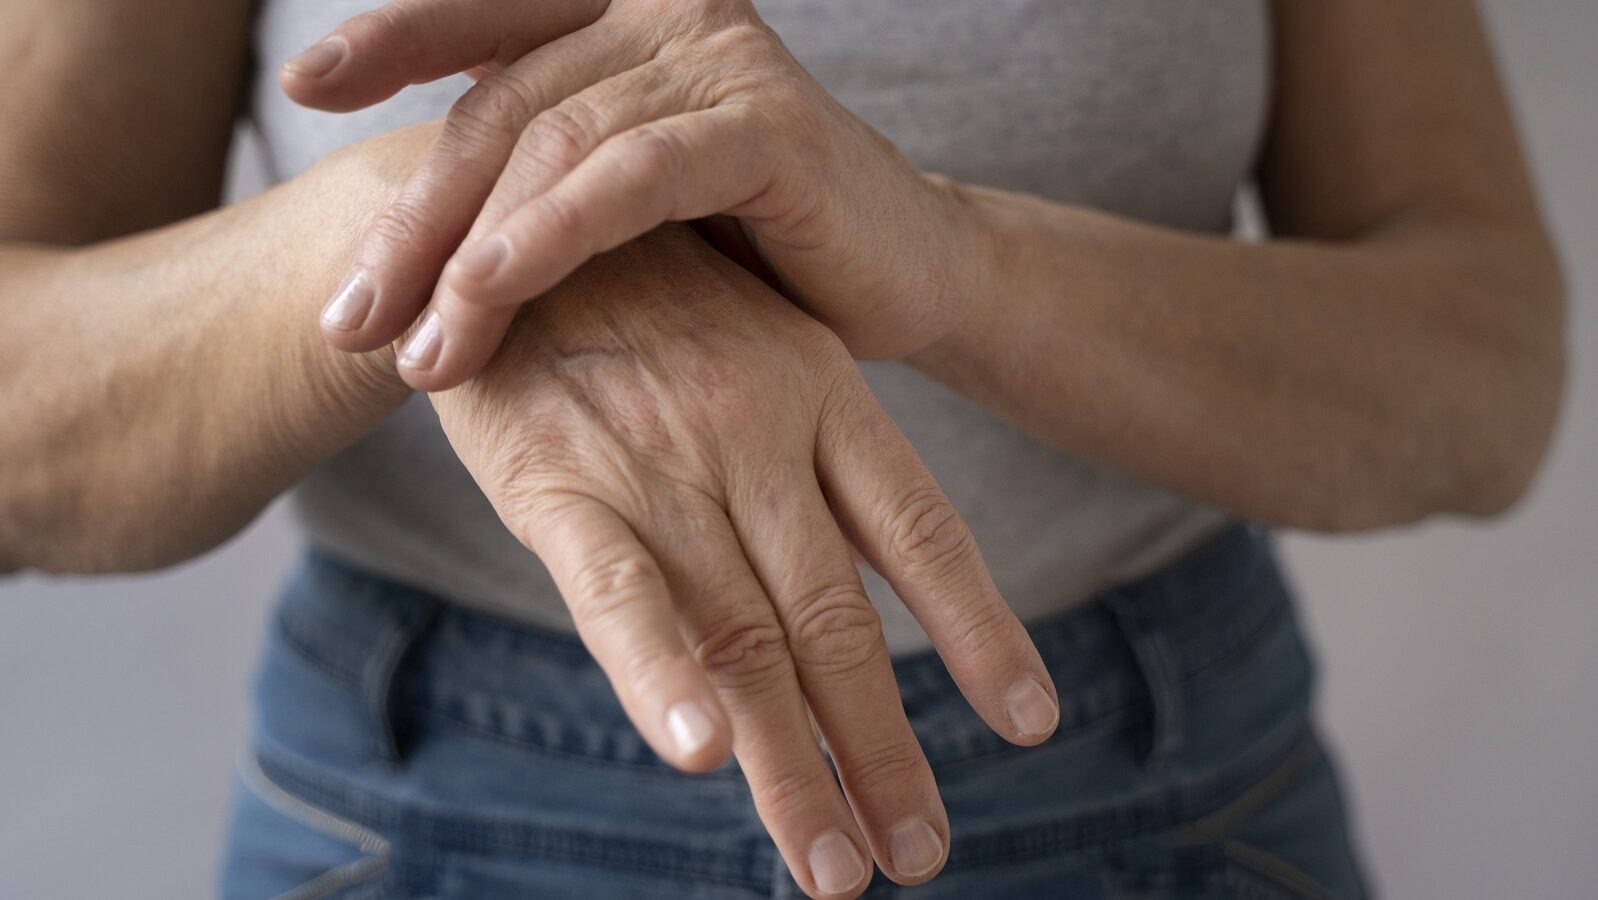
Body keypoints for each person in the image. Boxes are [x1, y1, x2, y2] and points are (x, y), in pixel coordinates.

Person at [0, 0, 1563, 897]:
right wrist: (435, 233)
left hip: (1158, 789)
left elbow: (1478, 373)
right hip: (428, 803)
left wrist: (954, 261)